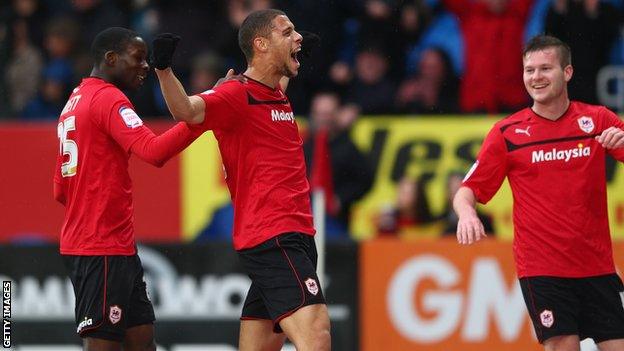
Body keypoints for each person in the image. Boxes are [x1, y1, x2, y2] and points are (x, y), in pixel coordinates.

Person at [152, 9, 330, 351]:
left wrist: (292, 52)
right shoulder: (235, 94)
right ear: (260, 44)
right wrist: (163, 69)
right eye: (287, 31)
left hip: (297, 236)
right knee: (317, 332)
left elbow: (276, 78)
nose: (299, 37)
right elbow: (186, 111)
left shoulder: (274, 91)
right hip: (274, 237)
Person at [454, 35, 624, 350]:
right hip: (544, 271)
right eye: (529, 70)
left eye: (545, 68)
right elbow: (467, 190)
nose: (536, 77)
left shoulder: (598, 120)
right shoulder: (507, 133)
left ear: (567, 72)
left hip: (598, 266)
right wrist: (467, 213)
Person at [53, 27, 202, 351]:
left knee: (142, 342)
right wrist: (202, 118)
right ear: (111, 58)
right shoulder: (108, 98)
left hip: (104, 244)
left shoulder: (74, 101)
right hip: (102, 246)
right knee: (103, 343)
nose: (145, 66)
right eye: (138, 58)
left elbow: (60, 190)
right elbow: (154, 151)